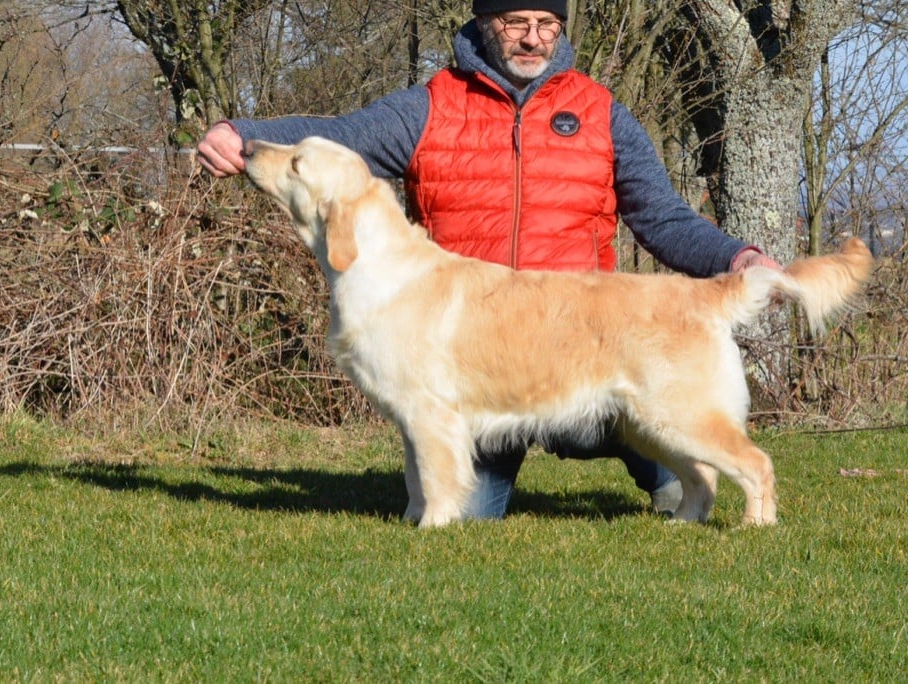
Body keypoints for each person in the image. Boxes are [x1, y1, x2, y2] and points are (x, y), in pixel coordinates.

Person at [197, 0, 781, 520]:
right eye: (517, 22)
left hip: (583, 330)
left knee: (645, 403)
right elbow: (341, 141)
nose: (533, 38)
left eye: (547, 24)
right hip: (476, 345)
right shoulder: (431, 106)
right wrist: (242, 134)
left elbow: (661, 216)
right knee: (467, 512)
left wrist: (738, 256)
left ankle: (674, 476)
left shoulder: (601, 111)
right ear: (485, 22)